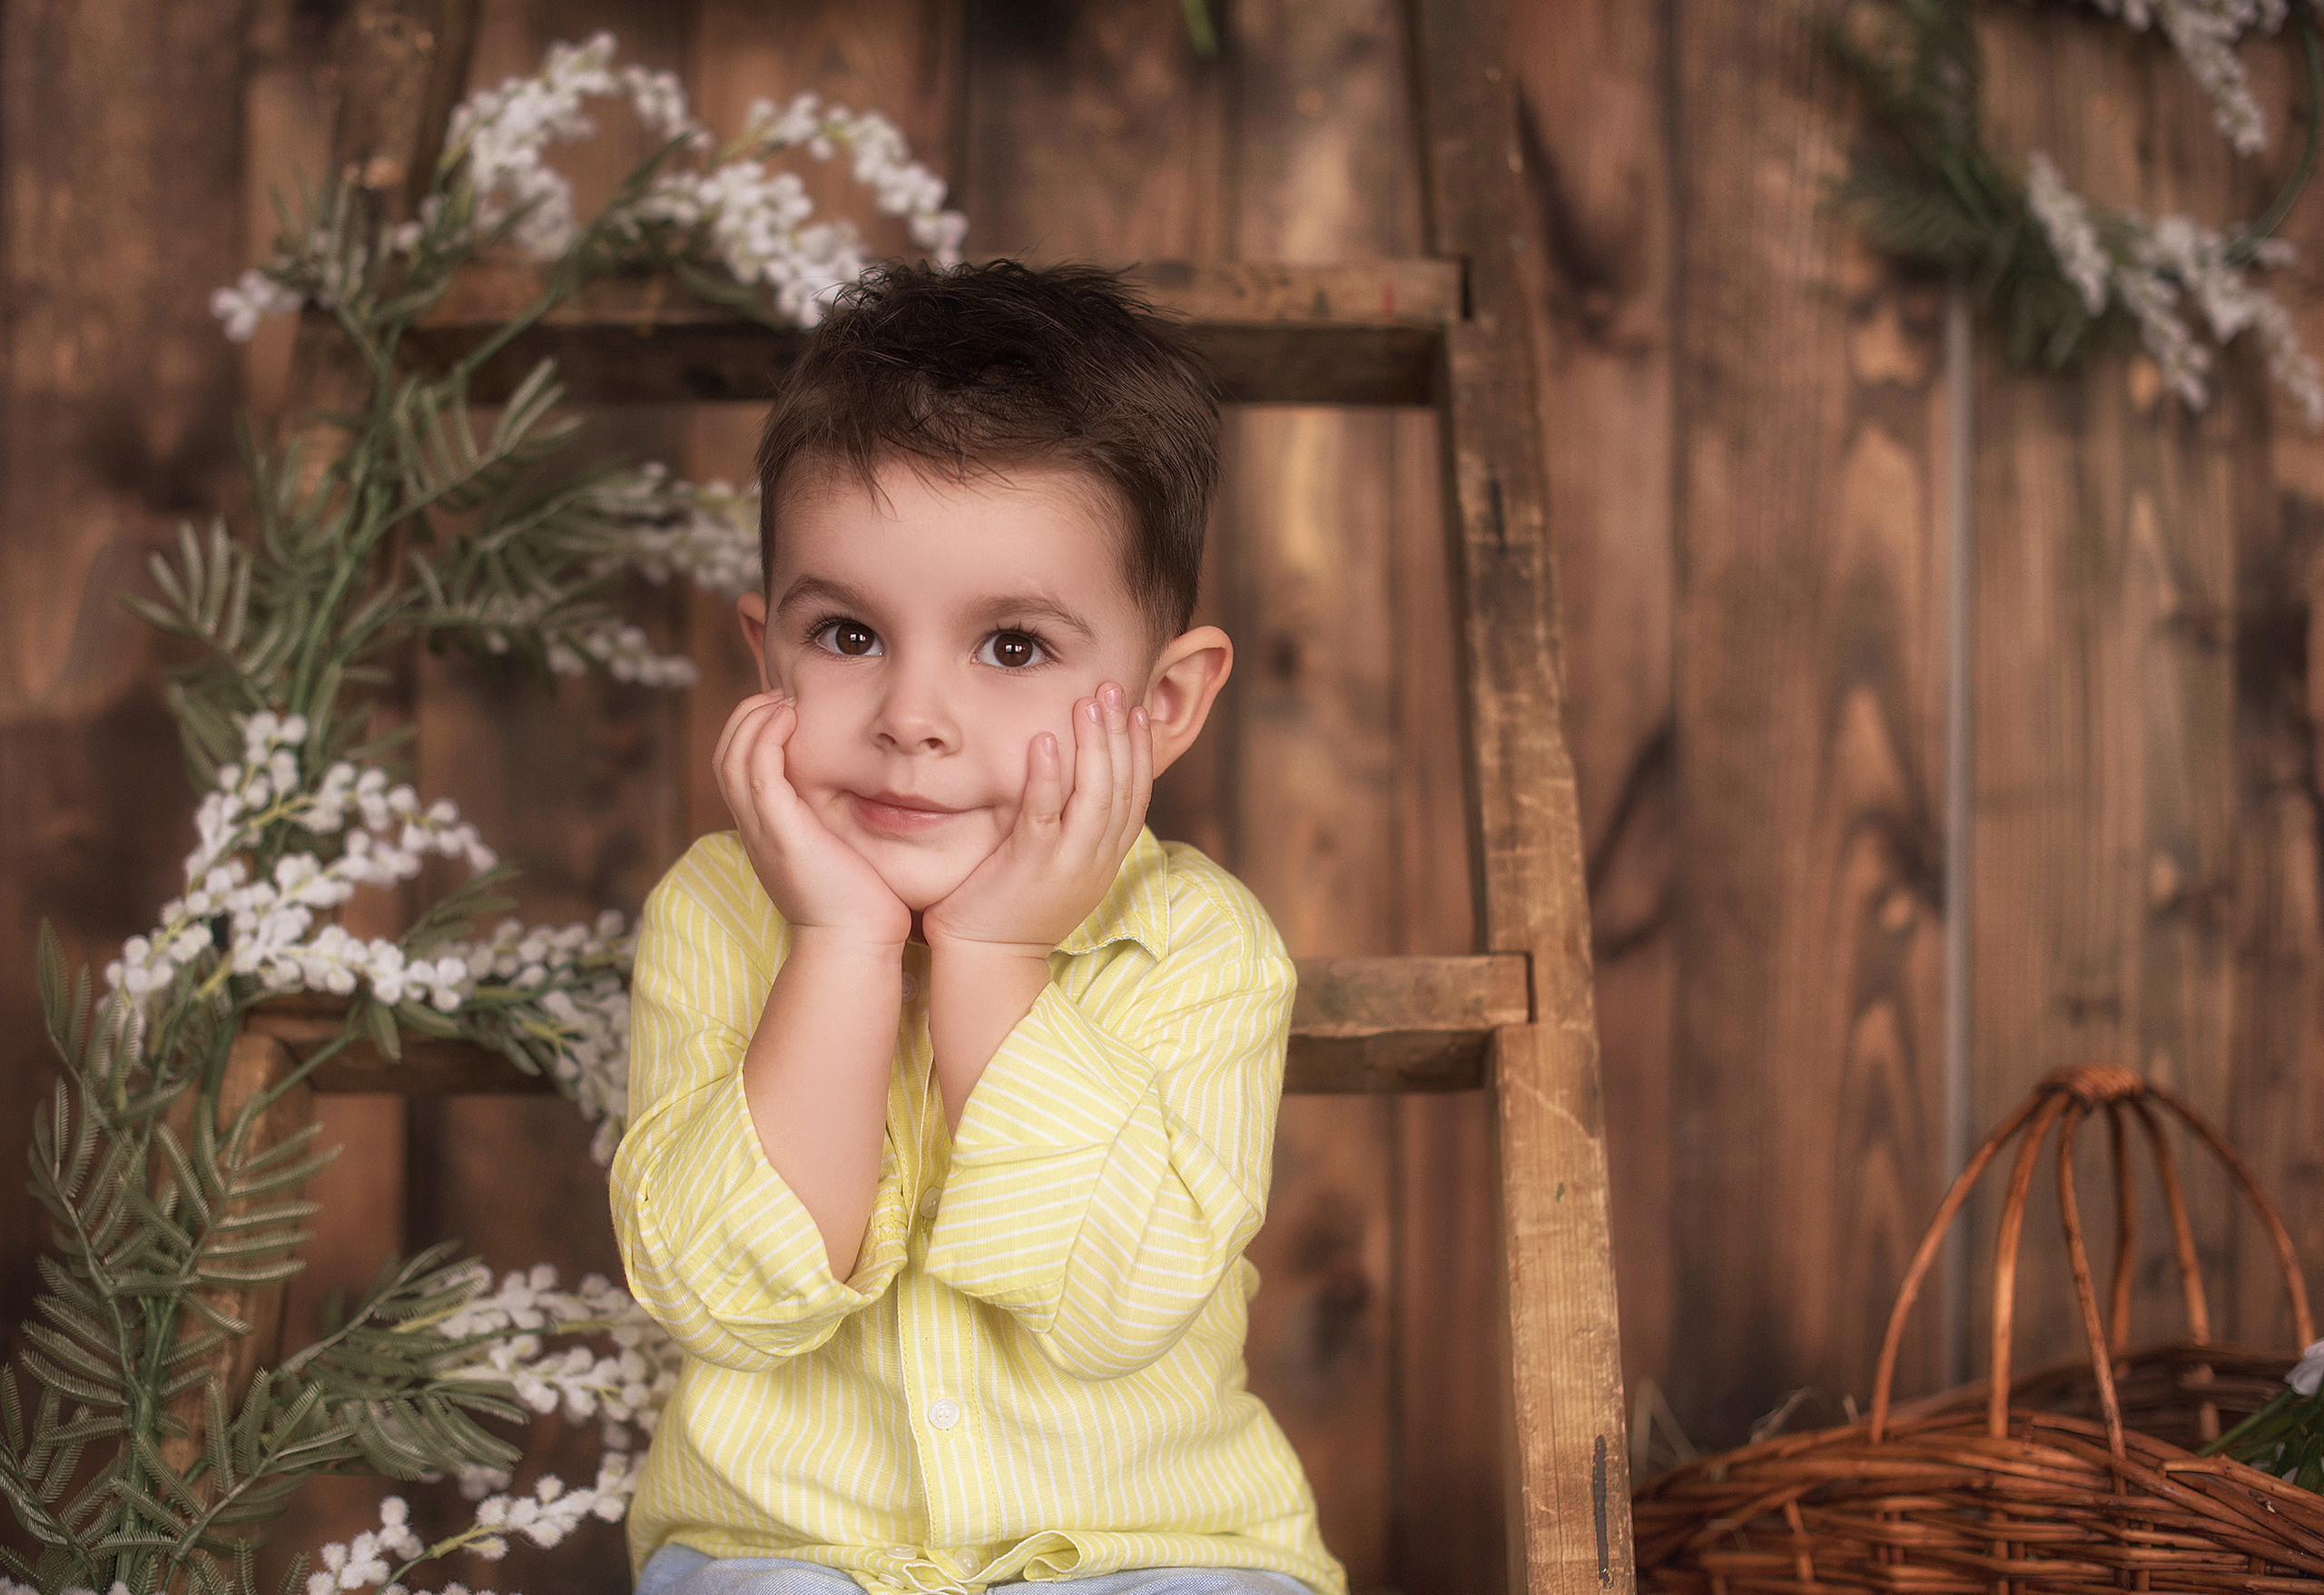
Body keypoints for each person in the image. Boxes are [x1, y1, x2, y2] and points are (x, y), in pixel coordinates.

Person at [610, 261, 1345, 1595]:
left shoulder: (1198, 944)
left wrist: (995, 958)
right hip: (789, 1545)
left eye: (1011, 647)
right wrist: (836, 944)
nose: (912, 716)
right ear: (766, 651)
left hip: (1151, 1547)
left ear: (1165, 706)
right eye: (848, 634)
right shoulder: (718, 913)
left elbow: (1118, 1304)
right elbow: (724, 1295)